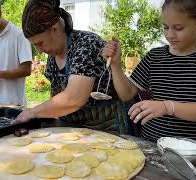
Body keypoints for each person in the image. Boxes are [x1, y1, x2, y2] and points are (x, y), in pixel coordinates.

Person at [102, 0, 196, 152]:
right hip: (151, 146)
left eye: (178, 28)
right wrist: (116, 66)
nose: (170, 34)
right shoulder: (155, 56)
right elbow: (126, 93)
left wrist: (167, 107)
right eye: (165, 27)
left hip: (192, 152)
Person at [15, 0, 137, 135]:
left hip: (107, 127)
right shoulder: (53, 55)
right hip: (73, 127)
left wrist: (33, 112)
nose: (38, 51)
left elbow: (74, 98)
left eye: (40, 43)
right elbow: (56, 99)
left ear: (54, 29)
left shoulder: (86, 44)